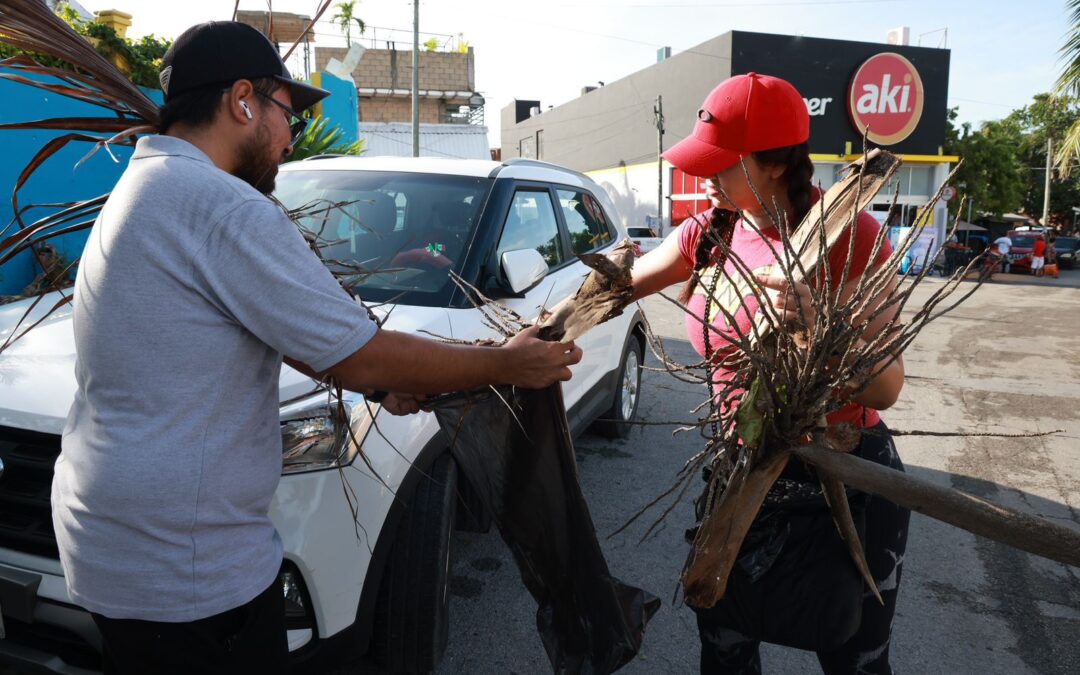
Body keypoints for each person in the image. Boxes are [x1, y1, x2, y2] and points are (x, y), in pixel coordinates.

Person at [52, 21, 582, 675]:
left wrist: (377, 384)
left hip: (115, 543)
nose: (289, 135)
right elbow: (358, 350)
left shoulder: (146, 184)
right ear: (242, 99)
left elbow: (285, 329)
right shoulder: (225, 207)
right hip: (185, 572)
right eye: (284, 112)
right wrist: (506, 364)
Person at [628, 73, 909, 674]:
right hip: (744, 470)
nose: (704, 179)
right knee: (725, 641)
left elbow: (887, 385)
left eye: (722, 165)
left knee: (854, 653)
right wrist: (539, 329)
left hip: (846, 475)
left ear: (777, 164)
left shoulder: (850, 238)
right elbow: (618, 284)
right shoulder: (710, 232)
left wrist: (821, 330)